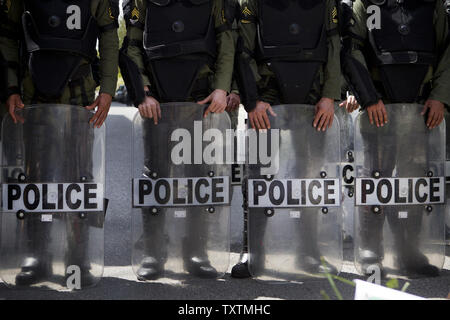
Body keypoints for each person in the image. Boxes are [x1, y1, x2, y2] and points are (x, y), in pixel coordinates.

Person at [2, 0, 119, 286]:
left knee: (79, 176)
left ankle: (77, 256)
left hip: (79, 92)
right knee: (34, 177)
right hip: (33, 90)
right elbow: (8, 34)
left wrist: (107, 89)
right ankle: (36, 256)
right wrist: (11, 87)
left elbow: (108, 35)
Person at [120, 0, 236, 280]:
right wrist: (143, 91)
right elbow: (132, 45)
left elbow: (226, 40)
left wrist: (222, 87)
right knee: (156, 176)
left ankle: (196, 252)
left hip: (202, 99)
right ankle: (153, 253)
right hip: (158, 101)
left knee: (199, 177)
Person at [231, 0, 342, 278]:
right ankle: (253, 251)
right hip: (266, 102)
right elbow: (243, 51)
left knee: (310, 178)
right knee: (257, 179)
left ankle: (308, 251)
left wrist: (330, 96)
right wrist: (252, 101)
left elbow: (334, 47)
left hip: (315, 100)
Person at [342, 0, 450, 277]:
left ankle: (408, 251)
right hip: (380, 107)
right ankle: (371, 251)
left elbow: (448, 50)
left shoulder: (433, 5)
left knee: (414, 184)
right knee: (375, 181)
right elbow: (353, 50)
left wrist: (440, 97)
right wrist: (369, 98)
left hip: (421, 108)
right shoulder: (364, 4)